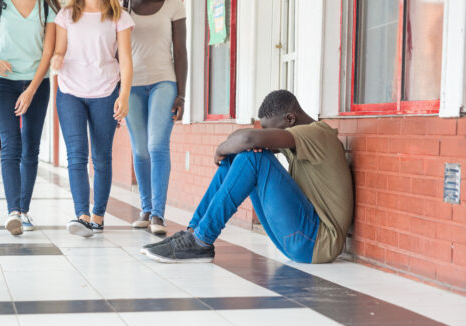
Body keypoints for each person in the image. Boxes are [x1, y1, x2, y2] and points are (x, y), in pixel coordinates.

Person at [142, 90, 354, 264]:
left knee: (253, 157)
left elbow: (248, 137)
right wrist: (230, 150)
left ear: (290, 119)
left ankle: (201, 240)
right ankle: (193, 233)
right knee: (241, 156)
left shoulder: (317, 135)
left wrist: (220, 149)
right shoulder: (299, 138)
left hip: (316, 242)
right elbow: (243, 141)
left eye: (270, 130)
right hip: (301, 240)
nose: (267, 134)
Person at [51, 0, 134, 237]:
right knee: (76, 155)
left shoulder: (119, 15)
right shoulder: (67, 15)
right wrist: (57, 58)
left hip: (106, 92)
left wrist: (124, 95)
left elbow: (126, 59)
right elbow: (60, 50)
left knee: (101, 156)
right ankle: (82, 216)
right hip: (69, 92)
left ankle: (97, 216)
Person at [0, 0, 60, 235]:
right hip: (4, 84)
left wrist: (31, 90)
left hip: (37, 84)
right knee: (10, 145)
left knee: (31, 147)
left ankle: (24, 210)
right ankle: (13, 211)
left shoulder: (48, 7)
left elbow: (48, 53)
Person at [125, 0, 187, 235]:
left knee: (156, 146)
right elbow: (114, 48)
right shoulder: (124, 5)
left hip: (164, 81)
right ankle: (146, 210)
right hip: (131, 85)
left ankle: (158, 214)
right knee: (140, 149)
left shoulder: (174, 5)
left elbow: (181, 51)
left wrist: (181, 95)